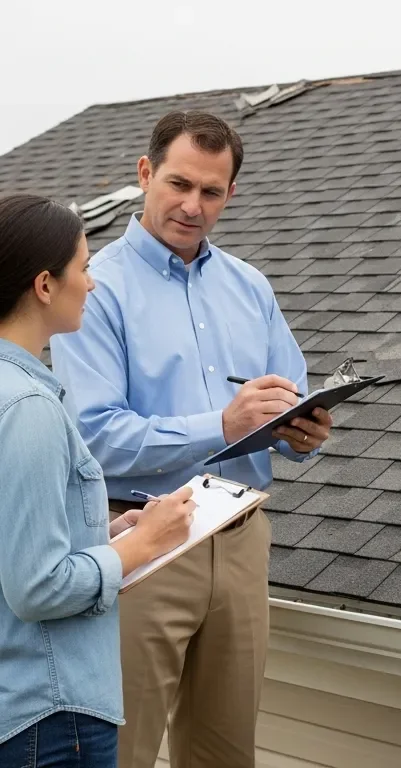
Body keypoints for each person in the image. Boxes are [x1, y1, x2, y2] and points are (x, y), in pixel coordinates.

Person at [49, 111, 335, 768]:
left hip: (239, 538)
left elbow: (284, 400)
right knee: (118, 749)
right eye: (178, 183)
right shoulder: (95, 286)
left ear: (230, 194)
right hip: (140, 542)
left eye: (211, 191)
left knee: (224, 753)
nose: (191, 205)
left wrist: (302, 432)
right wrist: (224, 425)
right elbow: (94, 437)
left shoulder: (249, 287)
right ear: (145, 175)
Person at [0, 194, 196, 767]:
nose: (91, 283)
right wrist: (143, 544)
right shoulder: (28, 406)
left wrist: (104, 533)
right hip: (52, 716)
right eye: (83, 268)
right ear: (44, 285)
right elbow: (37, 586)